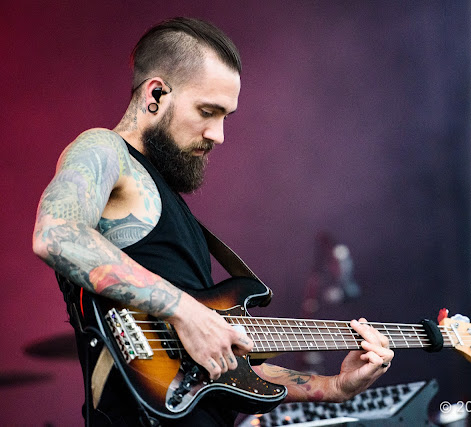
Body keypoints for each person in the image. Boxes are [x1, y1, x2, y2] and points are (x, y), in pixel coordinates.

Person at [32, 17, 393, 426]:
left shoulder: (167, 200)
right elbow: (55, 233)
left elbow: (222, 366)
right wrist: (186, 310)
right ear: (156, 94)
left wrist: (334, 388)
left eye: (226, 116)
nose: (219, 134)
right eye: (208, 111)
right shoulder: (104, 149)